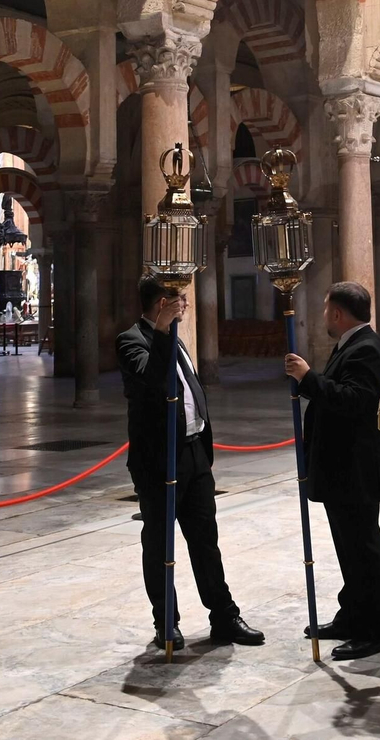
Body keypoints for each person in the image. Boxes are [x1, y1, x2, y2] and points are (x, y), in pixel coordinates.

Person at [118, 278, 266, 651]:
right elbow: (155, 381)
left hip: (194, 455)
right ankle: (166, 623)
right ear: (163, 303)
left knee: (205, 542)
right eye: (180, 300)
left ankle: (224, 616)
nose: (186, 305)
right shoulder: (131, 340)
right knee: (159, 545)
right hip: (158, 461)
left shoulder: (176, 338)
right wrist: (164, 330)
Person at [283, 281, 380, 659]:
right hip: (345, 469)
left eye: (325, 309)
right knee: (350, 550)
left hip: (357, 471)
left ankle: (376, 631)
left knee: (363, 551)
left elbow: (355, 401)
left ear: (337, 313)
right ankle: (352, 616)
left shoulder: (366, 348)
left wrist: (308, 379)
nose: (323, 316)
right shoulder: (355, 343)